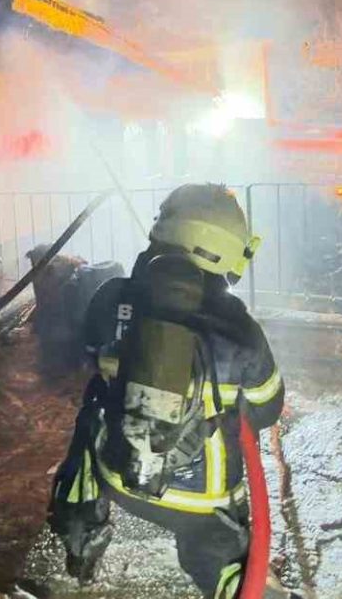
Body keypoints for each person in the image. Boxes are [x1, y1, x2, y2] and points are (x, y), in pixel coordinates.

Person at [49, 184, 284, 598]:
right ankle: (235, 583)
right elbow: (268, 408)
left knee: (93, 407)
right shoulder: (240, 329)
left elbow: (89, 355)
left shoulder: (111, 297)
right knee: (223, 562)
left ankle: (81, 530)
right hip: (201, 506)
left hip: (117, 476)